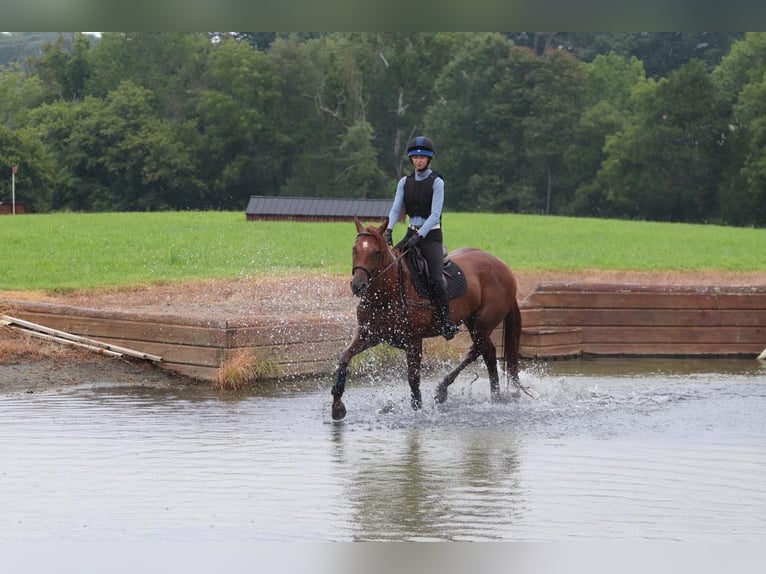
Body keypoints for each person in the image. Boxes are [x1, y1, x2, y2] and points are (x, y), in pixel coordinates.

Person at [383, 135, 459, 340]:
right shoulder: (404, 182)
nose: (418, 160)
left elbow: (435, 214)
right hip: (411, 233)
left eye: (422, 157)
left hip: (431, 235)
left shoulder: (437, 182)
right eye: (415, 157)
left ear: (429, 159)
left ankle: (446, 323)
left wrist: (421, 235)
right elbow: (395, 208)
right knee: (389, 266)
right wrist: (389, 229)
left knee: (436, 278)